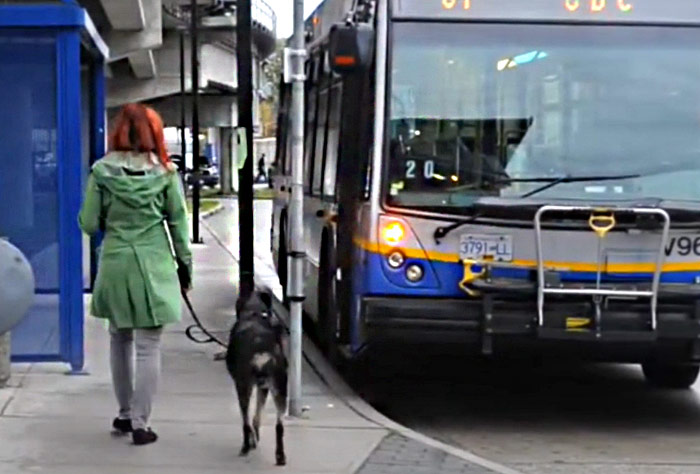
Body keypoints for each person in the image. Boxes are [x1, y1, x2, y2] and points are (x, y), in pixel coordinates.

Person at [78, 104, 192, 446]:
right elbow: (178, 224)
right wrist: (185, 264)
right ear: (153, 134)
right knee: (148, 346)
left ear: (118, 132)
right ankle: (142, 423)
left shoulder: (101, 171)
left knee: (119, 338)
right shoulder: (166, 174)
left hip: (115, 262)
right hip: (153, 263)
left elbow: (87, 222)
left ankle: (125, 414)